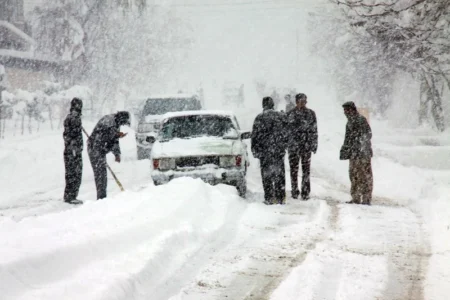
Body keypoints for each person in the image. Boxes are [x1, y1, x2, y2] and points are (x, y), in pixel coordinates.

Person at [251, 97, 288, 205]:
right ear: (273, 105)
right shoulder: (280, 116)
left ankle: (269, 196)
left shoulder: (259, 117)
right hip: (278, 151)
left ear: (263, 105)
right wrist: (284, 145)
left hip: (265, 151)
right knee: (279, 174)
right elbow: (286, 133)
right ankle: (280, 196)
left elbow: (255, 135)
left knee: (266, 175)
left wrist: (255, 150)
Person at [88, 111, 130, 200]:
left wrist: (117, 154)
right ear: (121, 119)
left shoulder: (115, 122)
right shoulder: (109, 122)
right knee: (100, 174)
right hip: (95, 148)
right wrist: (100, 152)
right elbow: (102, 138)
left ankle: (102, 197)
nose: (122, 125)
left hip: (99, 148)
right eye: (123, 123)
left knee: (102, 174)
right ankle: (101, 198)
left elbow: (114, 140)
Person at [339, 101, 373, 205]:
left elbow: (368, 134)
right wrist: (345, 149)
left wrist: (361, 146)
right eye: (344, 110)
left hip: (362, 154)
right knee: (354, 175)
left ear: (352, 110)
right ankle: (356, 197)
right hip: (354, 154)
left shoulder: (360, 120)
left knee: (364, 176)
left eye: (347, 110)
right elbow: (348, 138)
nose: (345, 112)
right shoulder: (350, 121)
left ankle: (366, 198)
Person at [287, 93, 318, 200]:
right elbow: (286, 131)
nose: (303, 103)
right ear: (296, 102)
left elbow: (314, 130)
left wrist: (313, 144)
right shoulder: (290, 114)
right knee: (293, 170)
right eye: (301, 101)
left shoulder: (311, 114)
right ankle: (294, 190)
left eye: (304, 101)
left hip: (306, 146)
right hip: (293, 146)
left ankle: (305, 192)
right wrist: (288, 143)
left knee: (306, 170)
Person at [63, 98, 84, 205]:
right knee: (75, 174)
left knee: (71, 173)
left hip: (70, 150)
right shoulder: (74, 118)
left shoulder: (71, 117)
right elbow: (70, 136)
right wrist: (74, 149)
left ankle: (69, 195)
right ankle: (71, 196)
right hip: (73, 151)